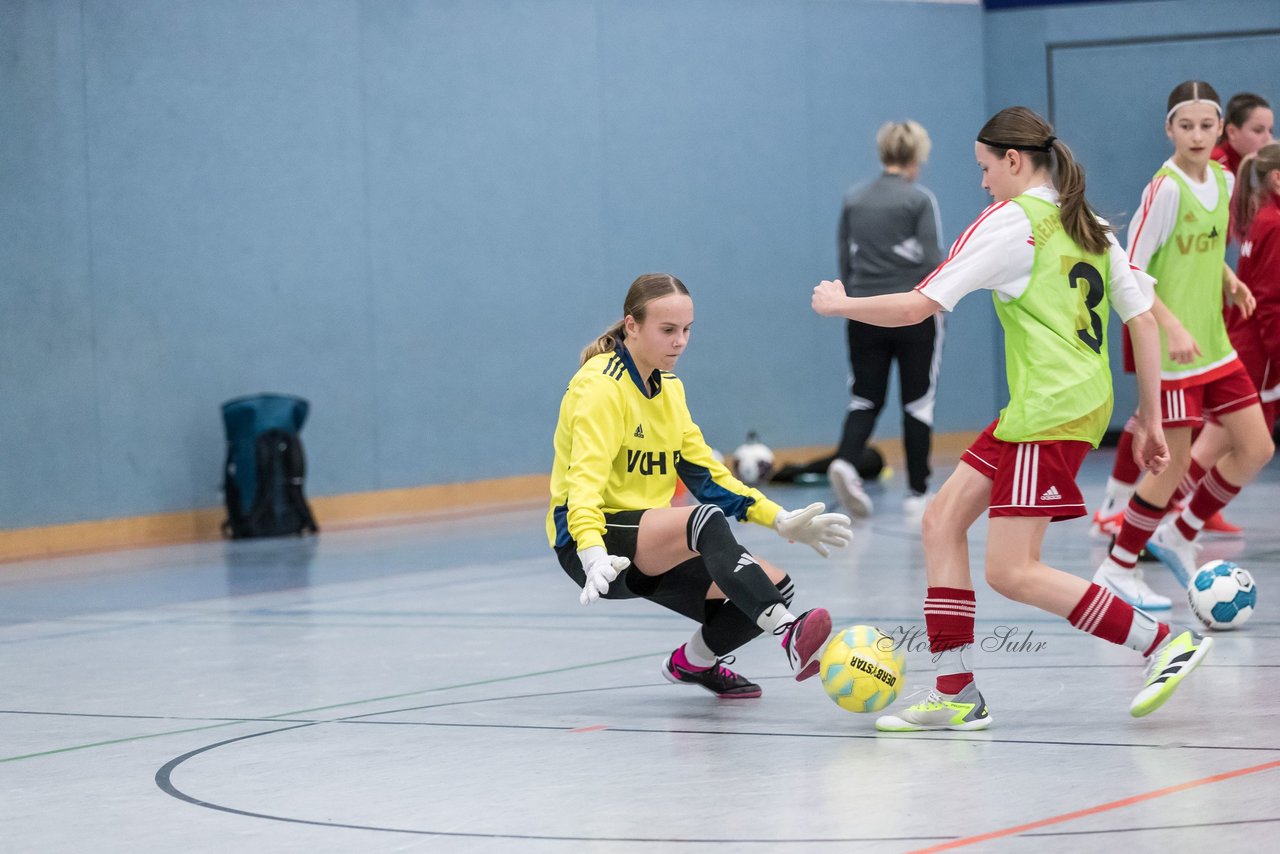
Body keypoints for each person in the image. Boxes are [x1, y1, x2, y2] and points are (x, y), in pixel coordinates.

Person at [812, 105, 1212, 730]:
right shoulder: (1091, 224)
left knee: (1012, 570)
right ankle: (956, 691)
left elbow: (921, 306)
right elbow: (1141, 319)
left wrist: (843, 306)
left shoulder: (1010, 223)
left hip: (1049, 408)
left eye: (984, 168)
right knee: (942, 521)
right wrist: (1151, 416)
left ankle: (1162, 642)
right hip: (1064, 402)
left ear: (1014, 161)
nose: (982, 182)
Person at [548, 273, 852, 699]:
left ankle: (694, 662)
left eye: (687, 330)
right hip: (595, 544)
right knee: (702, 521)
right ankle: (789, 632)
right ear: (631, 325)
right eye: (668, 330)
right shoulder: (600, 387)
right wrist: (591, 549)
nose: (680, 342)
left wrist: (779, 519)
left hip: (651, 544)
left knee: (771, 585)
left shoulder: (669, 389)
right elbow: (583, 481)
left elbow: (708, 476)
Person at [1095, 81, 1274, 607]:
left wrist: (1227, 280)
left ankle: (1179, 533)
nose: (1196, 134)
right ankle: (1118, 565)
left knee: (1258, 446)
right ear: (1169, 130)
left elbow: (1203, 247)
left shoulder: (1223, 177)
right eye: (1185, 125)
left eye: (1206, 125)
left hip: (1215, 344)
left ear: (1221, 129)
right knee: (1170, 465)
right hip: (1174, 354)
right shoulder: (1164, 188)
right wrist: (1169, 324)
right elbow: (1131, 268)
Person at [829, 120, 945, 520]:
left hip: (862, 310)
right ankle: (917, 493)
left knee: (864, 396)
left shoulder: (854, 200)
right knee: (918, 403)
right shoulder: (919, 200)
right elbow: (933, 262)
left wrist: (851, 301)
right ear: (917, 157)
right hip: (913, 312)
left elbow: (846, 259)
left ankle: (846, 461)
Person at [1230, 142, 1280, 431]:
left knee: (1246, 448)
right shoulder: (1272, 223)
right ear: (1276, 178)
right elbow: (1270, 300)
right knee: (1250, 448)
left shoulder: (1262, 219)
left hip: (1247, 345)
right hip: (1260, 353)